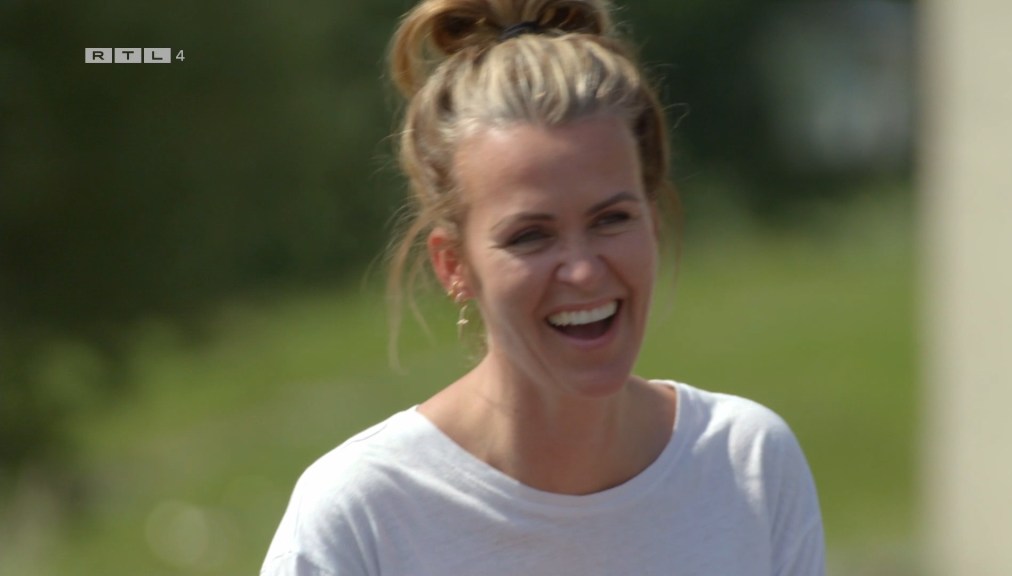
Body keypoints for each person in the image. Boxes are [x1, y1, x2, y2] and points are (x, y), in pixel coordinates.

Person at [261, 0, 825, 574]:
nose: (583, 271)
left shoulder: (747, 466)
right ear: (454, 265)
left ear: (652, 223)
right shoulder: (362, 516)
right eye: (530, 236)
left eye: (611, 219)